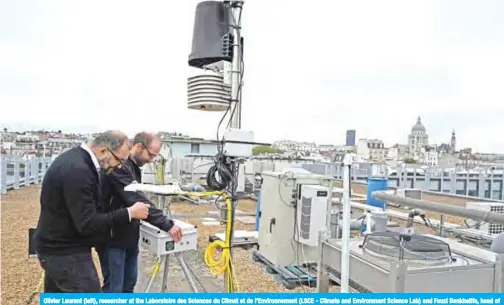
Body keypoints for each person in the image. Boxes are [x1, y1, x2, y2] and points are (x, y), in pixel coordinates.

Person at [33, 130, 151, 292]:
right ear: (103, 151)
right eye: (119, 160)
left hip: (55, 247)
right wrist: (129, 213)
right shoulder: (79, 171)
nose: (119, 166)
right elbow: (87, 223)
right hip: (65, 252)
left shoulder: (77, 159)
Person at [97, 132, 182, 293]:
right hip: (112, 238)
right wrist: (167, 224)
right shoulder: (119, 166)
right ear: (139, 146)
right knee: (114, 289)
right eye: (150, 154)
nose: (151, 160)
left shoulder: (133, 168)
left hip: (128, 237)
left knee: (128, 285)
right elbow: (136, 198)